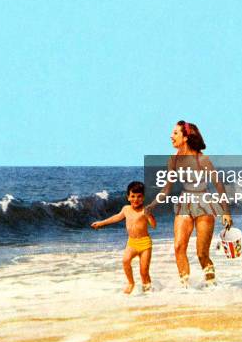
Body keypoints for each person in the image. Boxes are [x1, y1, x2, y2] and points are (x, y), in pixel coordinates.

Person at [145, 120, 232, 287]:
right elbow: (167, 189)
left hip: (204, 204)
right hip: (184, 203)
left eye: (175, 133)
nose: (171, 136)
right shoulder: (173, 160)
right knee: (178, 247)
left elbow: (218, 184)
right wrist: (152, 205)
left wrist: (226, 212)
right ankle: (186, 288)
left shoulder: (202, 159)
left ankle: (212, 287)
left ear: (185, 137)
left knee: (202, 254)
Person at [91, 181, 156, 294]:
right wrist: (101, 223)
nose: (136, 199)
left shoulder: (145, 210)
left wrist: (149, 215)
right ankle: (131, 283)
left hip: (145, 244)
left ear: (143, 197)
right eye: (133, 196)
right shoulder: (126, 209)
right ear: (128, 197)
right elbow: (116, 217)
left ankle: (148, 290)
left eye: (139, 196)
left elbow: (154, 225)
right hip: (132, 243)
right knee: (125, 261)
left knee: (144, 271)